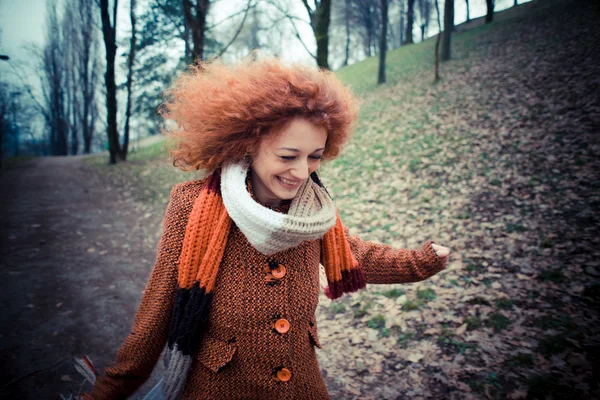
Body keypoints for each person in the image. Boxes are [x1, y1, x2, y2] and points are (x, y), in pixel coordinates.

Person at [85, 57, 451, 400]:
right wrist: (106, 392)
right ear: (247, 144)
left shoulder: (314, 209)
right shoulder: (191, 206)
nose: (302, 171)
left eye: (315, 156)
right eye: (287, 156)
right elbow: (155, 316)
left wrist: (422, 261)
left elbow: (354, 254)